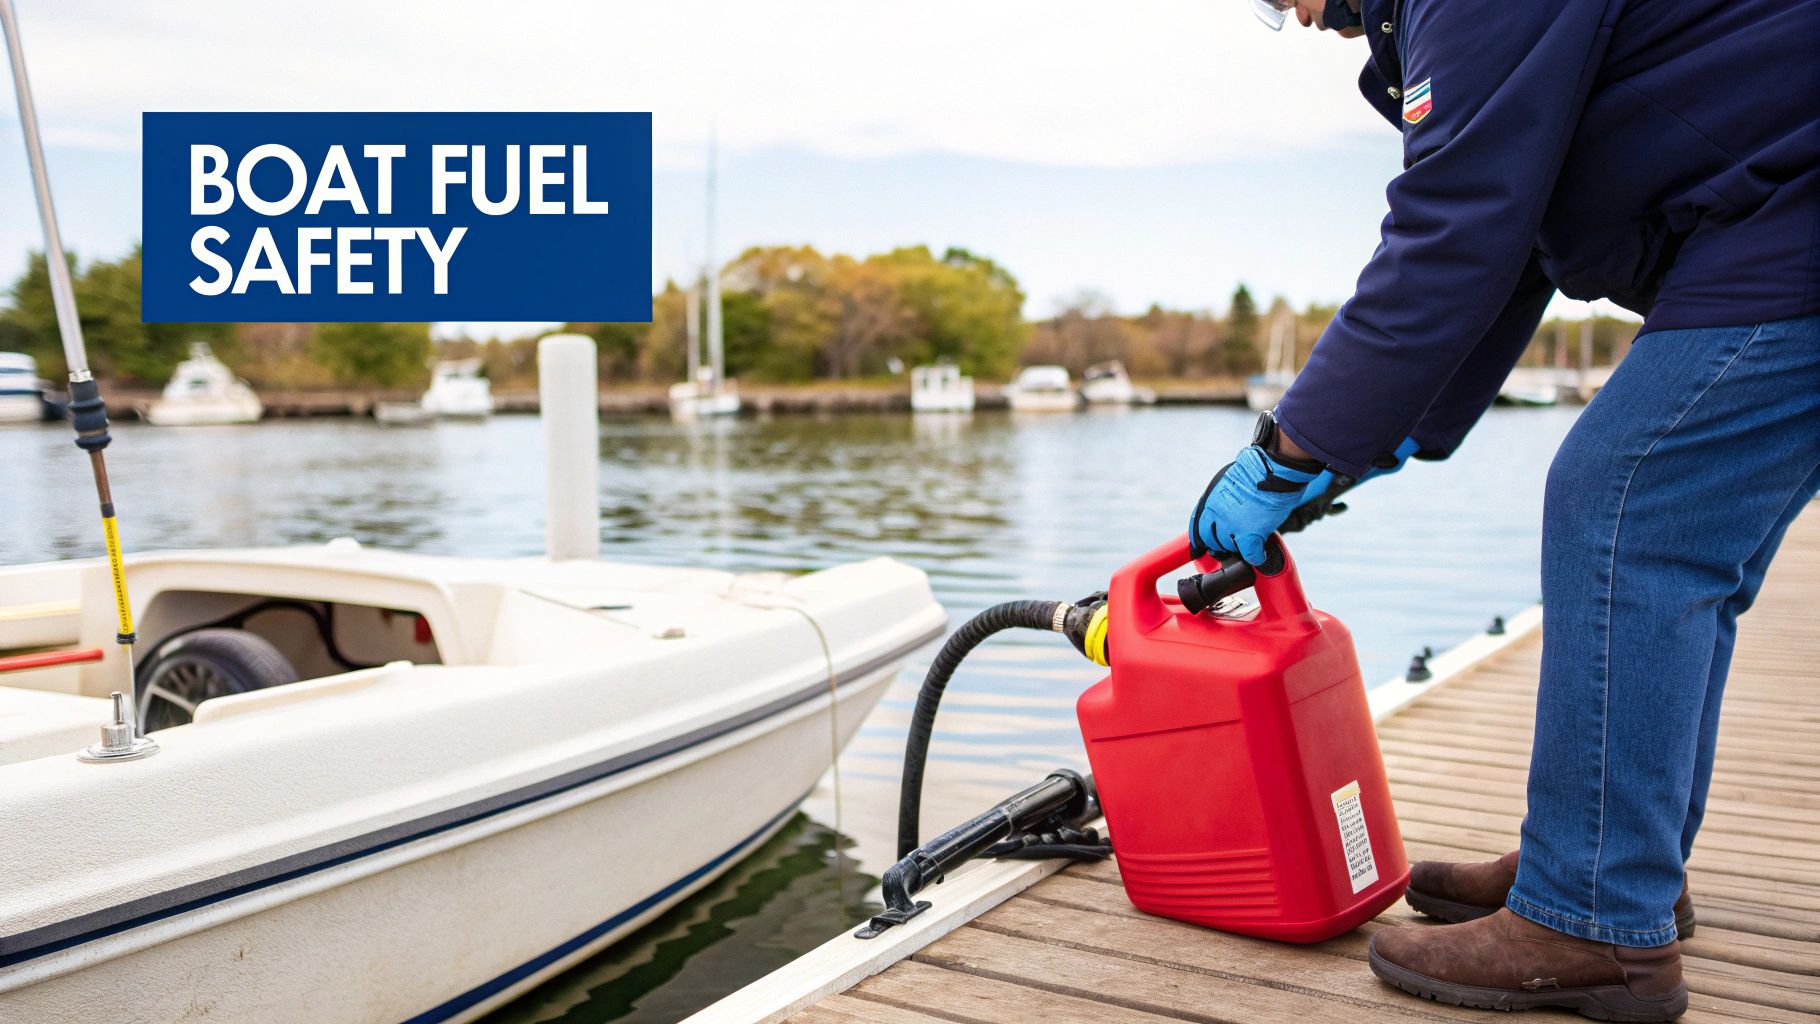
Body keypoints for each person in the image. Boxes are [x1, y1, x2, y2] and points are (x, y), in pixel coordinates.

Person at [1190, 0, 1820, 1019]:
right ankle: (1613, 867)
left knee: (1621, 509)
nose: (1292, 15)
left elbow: (1454, 227)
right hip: (1769, 220)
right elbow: (1515, 238)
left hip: (1787, 221)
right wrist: (1373, 440)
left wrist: (1288, 445)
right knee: (1670, 535)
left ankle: (1591, 918)